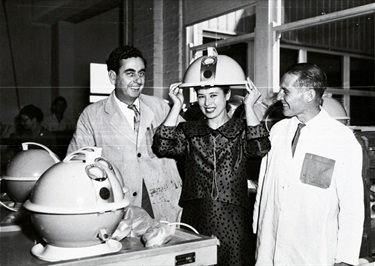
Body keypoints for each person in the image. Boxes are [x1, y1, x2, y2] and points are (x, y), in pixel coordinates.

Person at [152, 50, 270, 265]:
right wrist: (176, 106)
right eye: (202, 96)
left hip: (234, 221)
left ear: (227, 95)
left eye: (214, 95)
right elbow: (161, 145)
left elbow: (260, 148)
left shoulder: (242, 129)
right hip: (197, 216)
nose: (207, 103)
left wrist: (249, 107)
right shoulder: (189, 130)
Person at [253, 63, 364, 266]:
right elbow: (263, 184)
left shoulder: (341, 138)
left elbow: (352, 204)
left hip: (313, 252)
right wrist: (257, 228)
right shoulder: (278, 131)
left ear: (309, 95)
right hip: (271, 243)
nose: (279, 97)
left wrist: (345, 257)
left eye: (286, 91)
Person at [67, 45, 182, 222]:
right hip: (121, 209)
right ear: (113, 77)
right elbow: (74, 167)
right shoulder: (91, 116)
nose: (138, 80)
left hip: (165, 203)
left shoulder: (160, 107)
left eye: (141, 73)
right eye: (130, 73)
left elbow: (191, 140)